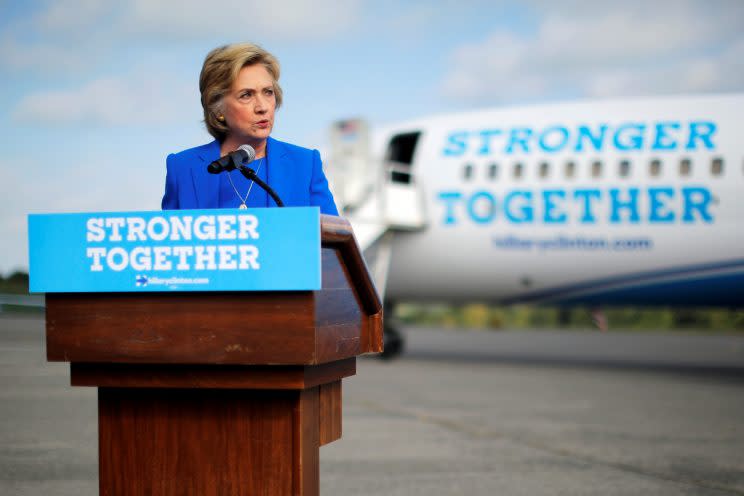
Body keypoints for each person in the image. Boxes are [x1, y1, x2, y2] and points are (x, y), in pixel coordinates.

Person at [162, 43, 338, 215]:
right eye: (246, 95)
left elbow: (334, 240)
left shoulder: (305, 163)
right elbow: (169, 243)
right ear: (218, 108)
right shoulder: (183, 168)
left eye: (268, 92)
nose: (262, 107)